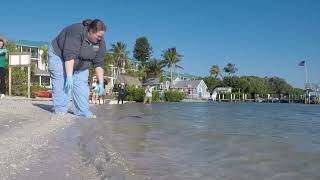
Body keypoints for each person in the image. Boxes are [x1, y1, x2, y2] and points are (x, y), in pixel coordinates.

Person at [48, 19, 106, 118]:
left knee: (82, 88)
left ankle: (82, 111)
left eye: (102, 37)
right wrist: (69, 77)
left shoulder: (100, 42)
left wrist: (101, 83)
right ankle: (60, 109)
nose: (100, 39)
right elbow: (69, 56)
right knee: (62, 82)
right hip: (60, 56)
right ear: (91, 31)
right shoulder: (76, 31)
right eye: (98, 36)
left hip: (81, 64)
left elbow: (98, 64)